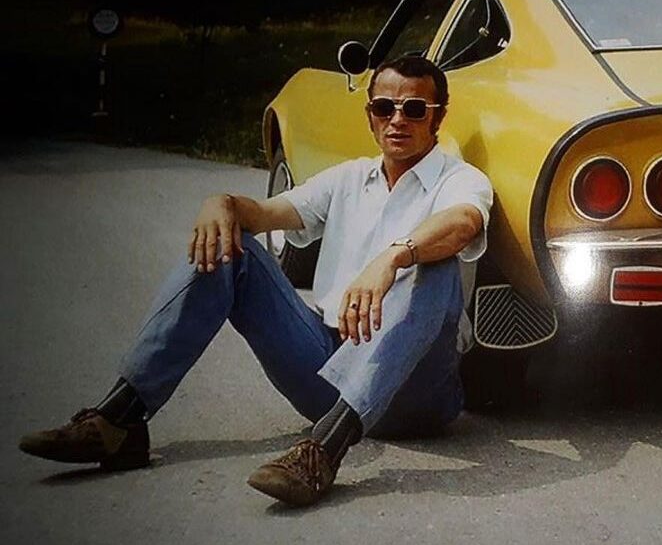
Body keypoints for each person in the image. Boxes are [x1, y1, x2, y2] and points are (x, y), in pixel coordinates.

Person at [18, 55, 493, 507]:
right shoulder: (349, 179)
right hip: (327, 364)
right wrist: (222, 203)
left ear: (438, 117)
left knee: (437, 266)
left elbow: (463, 223)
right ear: (370, 114)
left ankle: (322, 452)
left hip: (417, 389)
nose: (397, 120)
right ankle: (119, 420)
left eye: (414, 109)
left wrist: (394, 256)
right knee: (230, 243)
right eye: (384, 107)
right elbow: (267, 213)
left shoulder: (460, 178)